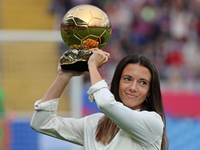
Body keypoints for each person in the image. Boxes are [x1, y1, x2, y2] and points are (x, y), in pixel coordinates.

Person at [30, 48, 168, 150]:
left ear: (150, 92)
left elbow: (105, 103)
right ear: (117, 83)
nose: (133, 87)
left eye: (142, 82)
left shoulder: (153, 122)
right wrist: (63, 77)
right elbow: (41, 123)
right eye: (127, 79)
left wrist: (92, 66)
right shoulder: (94, 123)